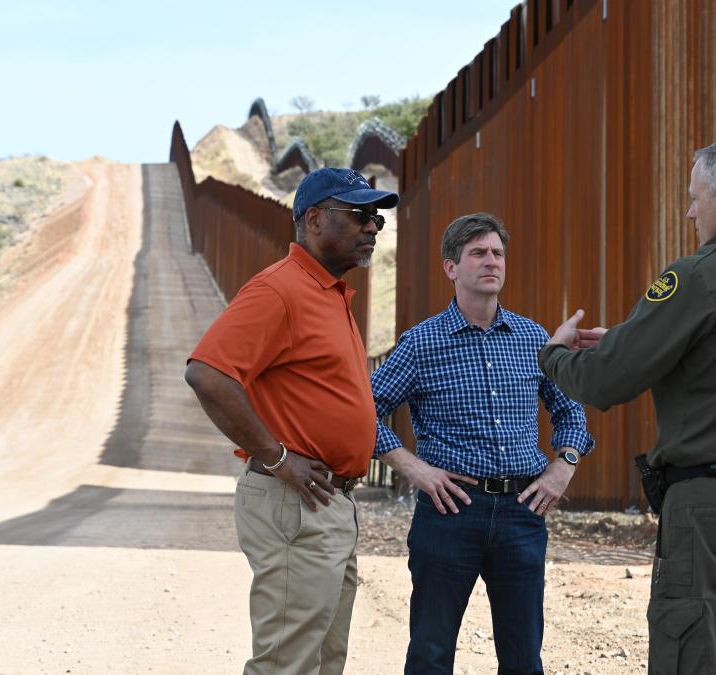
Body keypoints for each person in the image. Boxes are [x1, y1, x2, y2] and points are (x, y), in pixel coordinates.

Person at [538, 136, 716, 674]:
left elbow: (605, 384)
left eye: (696, 197)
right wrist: (636, 342)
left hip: (713, 517)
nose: (689, 210)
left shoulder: (699, 274)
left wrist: (555, 355)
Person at [184, 167, 398, 675]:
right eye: (359, 215)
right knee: (287, 664)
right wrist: (276, 457)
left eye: (376, 219)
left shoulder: (329, 292)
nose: (371, 227)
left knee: (324, 662)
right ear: (316, 219)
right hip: (295, 501)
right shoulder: (280, 290)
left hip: (328, 503)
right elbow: (208, 374)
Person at [371, 212, 594, 675]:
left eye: (497, 253)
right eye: (477, 253)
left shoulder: (534, 338)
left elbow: (571, 408)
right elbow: (363, 411)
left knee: (523, 659)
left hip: (522, 512)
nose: (491, 261)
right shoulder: (421, 343)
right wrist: (414, 469)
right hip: (450, 511)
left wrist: (563, 467)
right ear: (451, 268)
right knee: (430, 655)